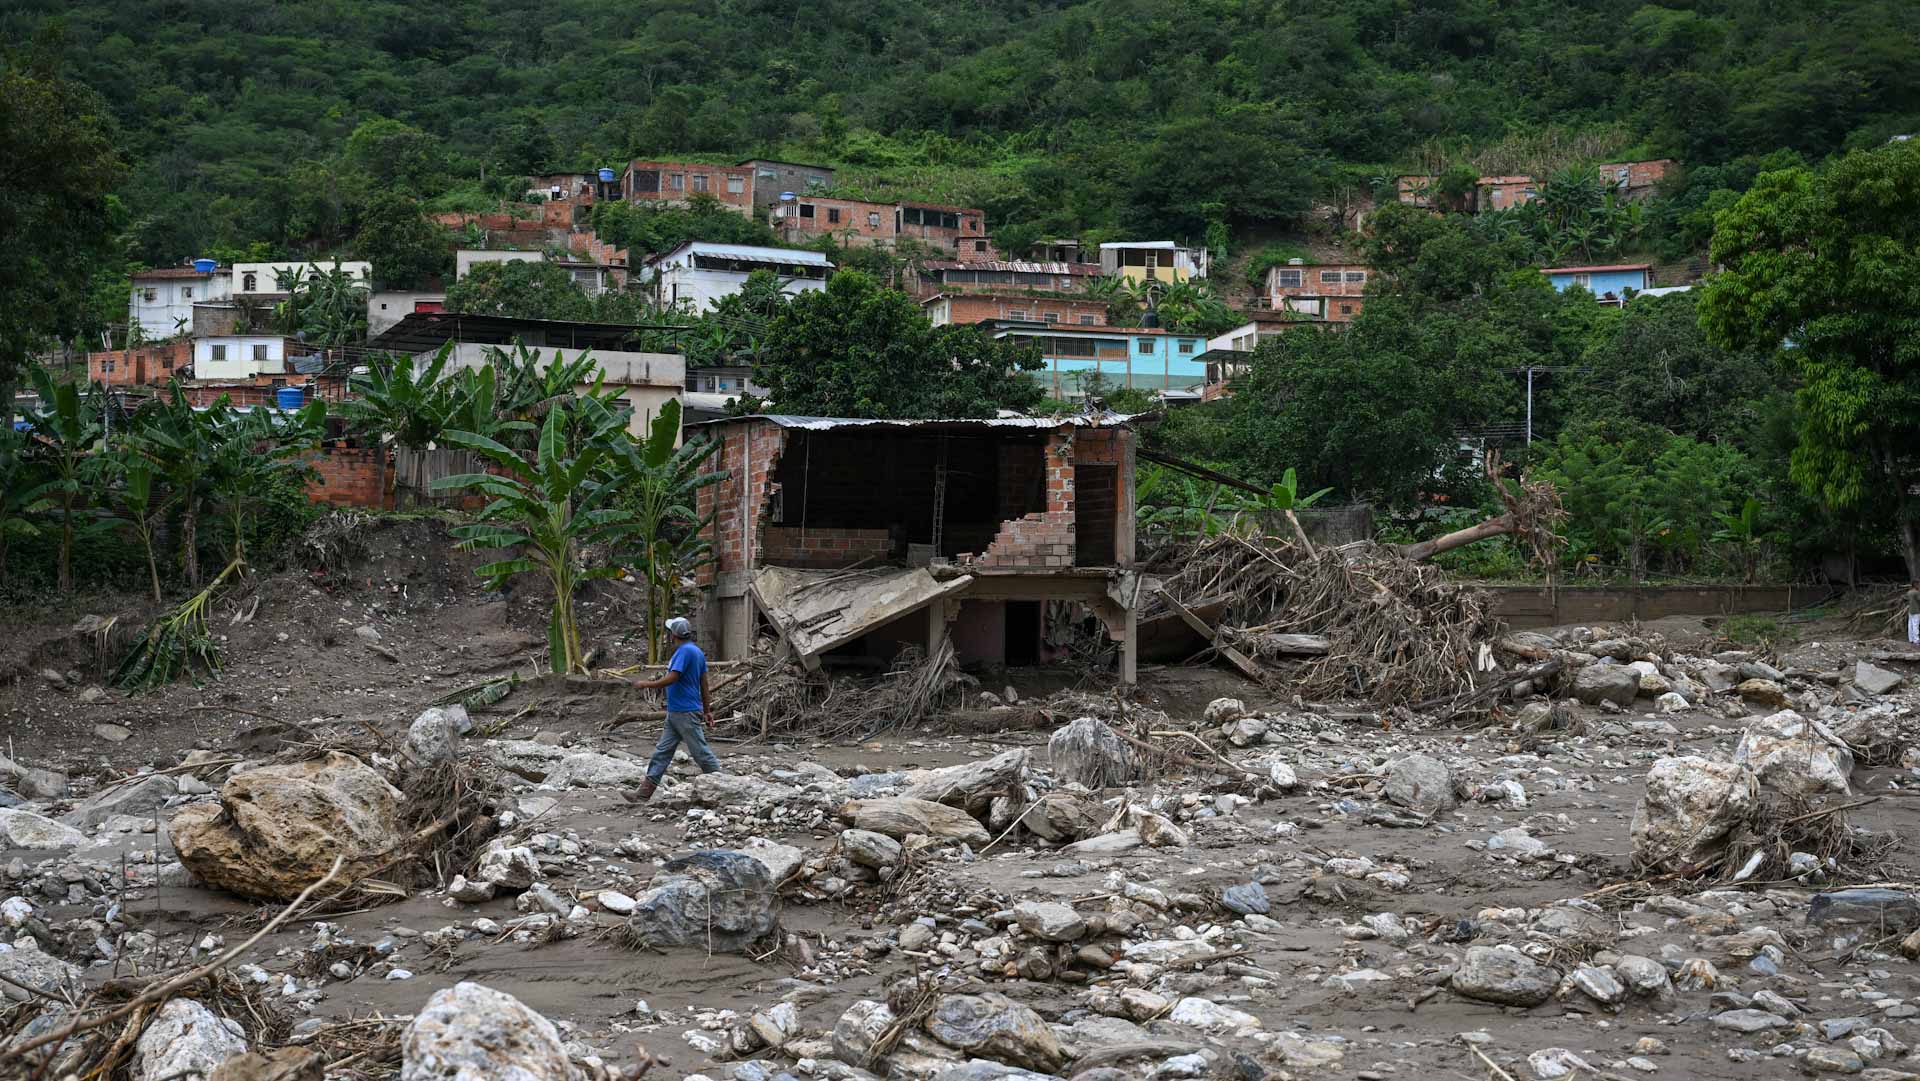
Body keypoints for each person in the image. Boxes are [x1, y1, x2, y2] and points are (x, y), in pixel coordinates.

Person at [628, 617, 720, 800]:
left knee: (700, 752)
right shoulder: (697, 652)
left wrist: (646, 683)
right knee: (662, 751)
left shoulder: (683, 652)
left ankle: (724, 785)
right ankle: (644, 794)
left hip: (684, 711)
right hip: (679, 711)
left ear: (673, 635)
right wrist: (707, 710)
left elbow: (673, 677)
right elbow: (704, 684)